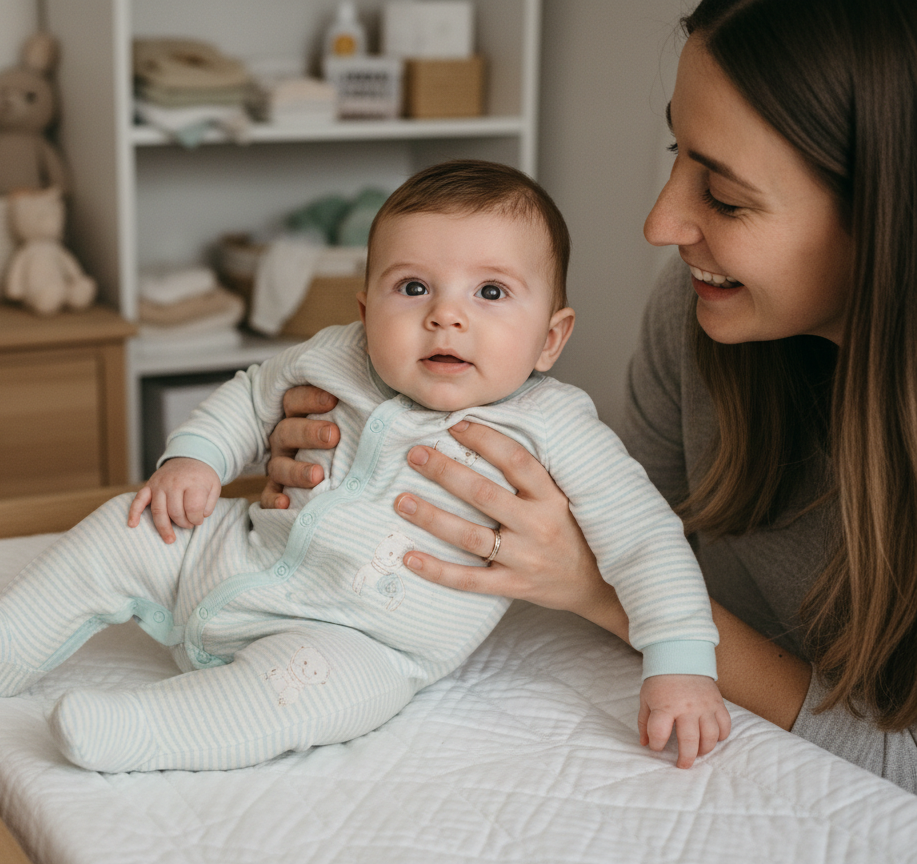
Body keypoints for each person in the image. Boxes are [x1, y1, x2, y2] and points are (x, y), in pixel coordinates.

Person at [264, 0, 917, 792]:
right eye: (678, 150)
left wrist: (604, 593)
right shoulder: (700, 317)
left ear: (887, 218)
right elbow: (628, 519)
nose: (659, 222)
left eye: (726, 197)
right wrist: (353, 453)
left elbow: (902, 767)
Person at [0, 160, 728, 774]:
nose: (445, 313)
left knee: (310, 691)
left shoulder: (555, 425)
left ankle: (147, 731)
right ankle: (8, 641)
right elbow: (250, 396)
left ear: (552, 337)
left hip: (364, 640)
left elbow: (646, 539)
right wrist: (192, 459)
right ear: (365, 309)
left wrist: (682, 661)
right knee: (132, 524)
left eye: (491, 293)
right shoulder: (335, 357)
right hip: (235, 555)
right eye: (413, 287)